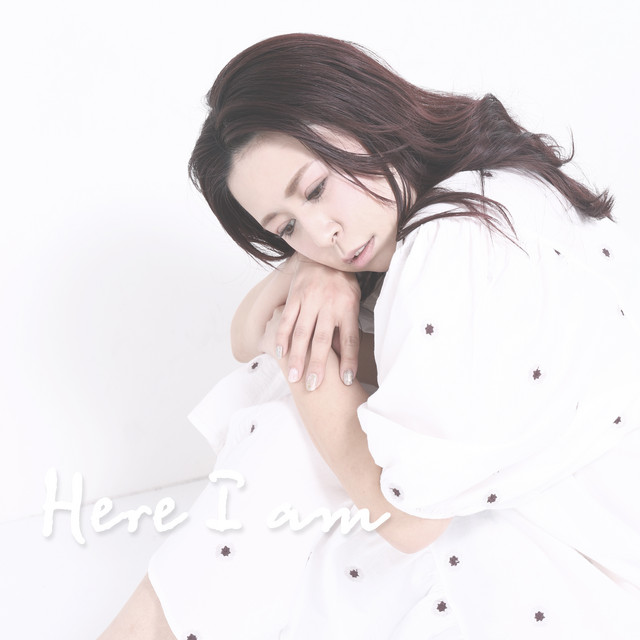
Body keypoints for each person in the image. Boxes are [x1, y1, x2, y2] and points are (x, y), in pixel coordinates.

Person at [99, 33, 640, 639]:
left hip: (583, 572)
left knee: (293, 413)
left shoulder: (450, 241)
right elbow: (242, 337)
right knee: (298, 381)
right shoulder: (486, 187)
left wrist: (307, 367)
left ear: (359, 114)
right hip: (579, 534)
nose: (321, 233)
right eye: (286, 228)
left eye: (315, 189)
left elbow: (409, 519)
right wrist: (310, 273)